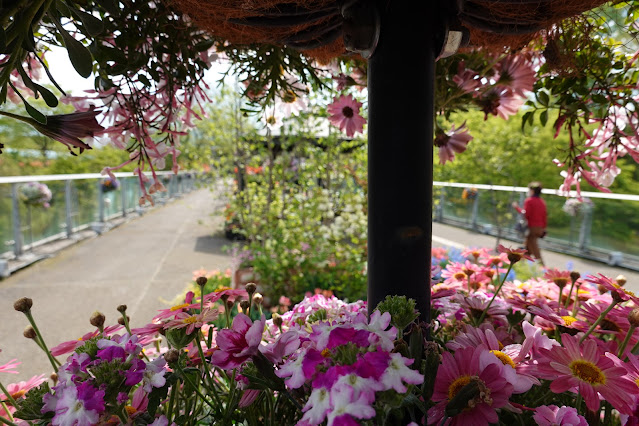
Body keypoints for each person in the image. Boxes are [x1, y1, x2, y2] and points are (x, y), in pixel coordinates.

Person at [512, 182, 547, 265]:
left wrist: (516, 207)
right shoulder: (542, 202)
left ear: (532, 191)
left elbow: (525, 214)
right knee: (527, 248)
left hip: (532, 228)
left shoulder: (529, 201)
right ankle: (521, 264)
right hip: (540, 227)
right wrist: (544, 228)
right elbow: (545, 216)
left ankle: (542, 266)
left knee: (534, 248)